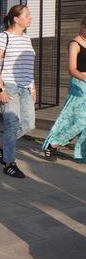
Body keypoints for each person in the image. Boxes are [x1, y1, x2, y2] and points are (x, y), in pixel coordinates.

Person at [0, 5, 35, 179]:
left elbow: (28, 66)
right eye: (27, 15)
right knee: (11, 126)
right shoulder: (3, 37)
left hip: (25, 88)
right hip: (9, 87)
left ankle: (1, 145)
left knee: (29, 124)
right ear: (16, 19)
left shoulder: (26, 38)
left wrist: (33, 87)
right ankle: (9, 163)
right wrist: (0, 89)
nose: (30, 18)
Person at [43, 15, 86, 161]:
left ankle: (83, 152)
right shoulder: (75, 43)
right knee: (79, 121)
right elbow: (72, 69)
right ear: (83, 26)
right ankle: (53, 144)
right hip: (79, 84)